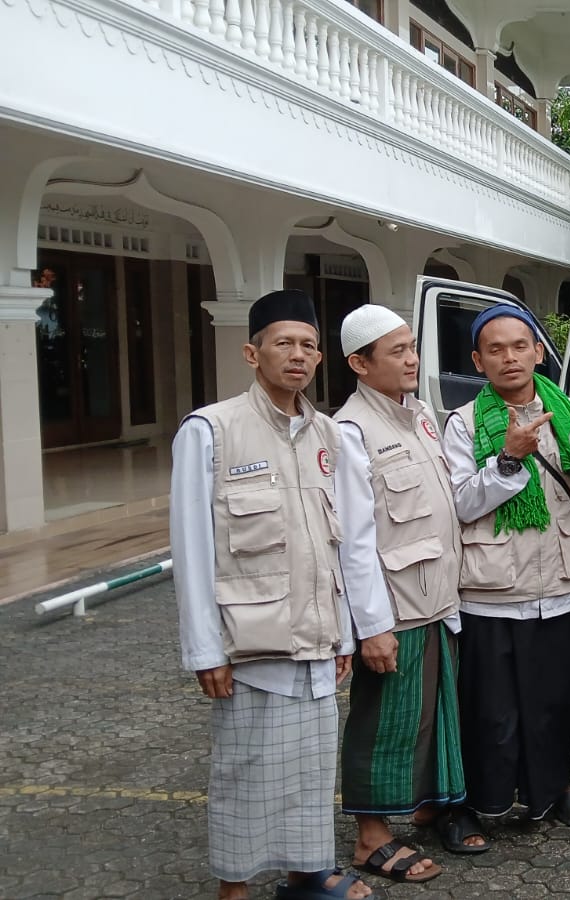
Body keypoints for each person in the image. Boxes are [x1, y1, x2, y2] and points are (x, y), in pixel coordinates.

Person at [172, 289, 374, 900]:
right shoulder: (211, 430)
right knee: (245, 771)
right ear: (250, 352)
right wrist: (205, 650)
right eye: (283, 343)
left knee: (311, 770)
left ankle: (304, 876)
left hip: (315, 636)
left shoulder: (330, 435)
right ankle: (233, 888)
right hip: (251, 639)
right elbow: (192, 547)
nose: (299, 355)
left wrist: (344, 630)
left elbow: (338, 541)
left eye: (309, 345)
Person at [440, 306, 570, 847]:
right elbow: (461, 504)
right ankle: (477, 802)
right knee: (491, 710)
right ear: (477, 360)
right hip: (490, 592)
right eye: (495, 349)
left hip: (558, 589)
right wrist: (508, 460)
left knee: (554, 703)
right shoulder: (463, 423)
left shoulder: (569, 412)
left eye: (519, 346)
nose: (509, 358)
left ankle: (551, 792)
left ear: (538, 351)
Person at [332, 305, 479, 885]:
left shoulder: (419, 416)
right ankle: (370, 839)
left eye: (413, 346)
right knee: (385, 721)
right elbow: (354, 542)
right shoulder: (350, 432)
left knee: (428, 717)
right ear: (360, 364)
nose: (413, 359)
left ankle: (424, 803)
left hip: (437, 600)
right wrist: (371, 626)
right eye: (397, 352)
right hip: (395, 607)